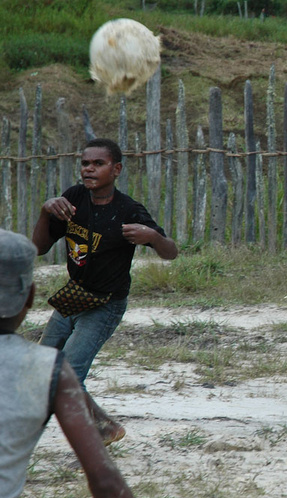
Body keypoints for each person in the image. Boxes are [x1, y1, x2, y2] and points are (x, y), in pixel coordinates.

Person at [0, 229, 149, 498]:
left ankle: (106, 425)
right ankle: (105, 426)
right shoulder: (49, 368)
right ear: (29, 296)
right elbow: (106, 482)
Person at [32, 138, 178, 444]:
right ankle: (102, 428)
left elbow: (170, 252)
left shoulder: (128, 210)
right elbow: (39, 248)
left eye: (98, 164)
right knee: (42, 369)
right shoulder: (73, 199)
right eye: (85, 163)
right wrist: (46, 211)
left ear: (117, 169)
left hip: (104, 304)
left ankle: (96, 437)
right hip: (73, 299)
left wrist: (152, 235)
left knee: (67, 376)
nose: (89, 169)